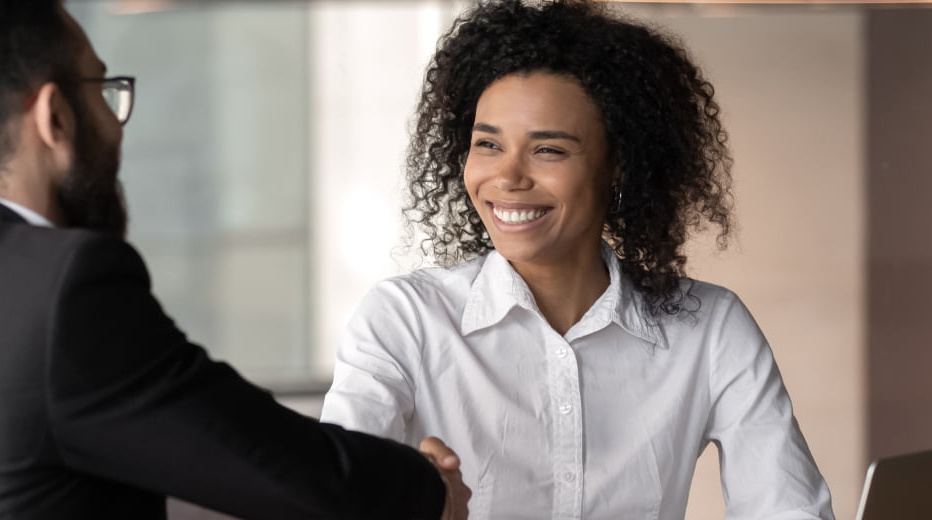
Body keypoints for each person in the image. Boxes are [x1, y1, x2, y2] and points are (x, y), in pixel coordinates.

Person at [0, 1, 472, 519]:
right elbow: (281, 468)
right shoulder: (60, 286)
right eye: (102, 88)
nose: (115, 119)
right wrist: (425, 487)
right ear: (53, 117)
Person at [320, 1, 834, 518]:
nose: (509, 178)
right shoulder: (404, 319)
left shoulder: (710, 328)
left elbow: (788, 507)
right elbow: (331, 499)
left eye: (549, 150)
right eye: (488, 144)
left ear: (619, 165)